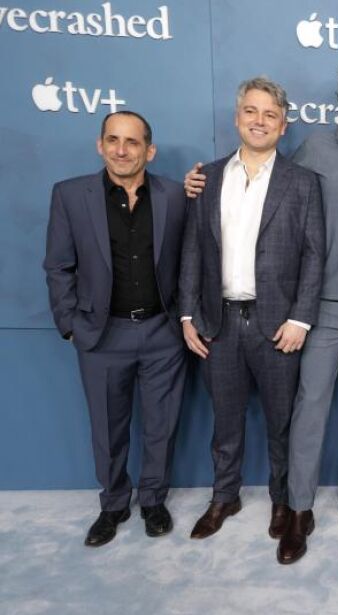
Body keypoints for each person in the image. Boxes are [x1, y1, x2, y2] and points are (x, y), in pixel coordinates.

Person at [185, 55, 338, 564]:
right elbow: (267, 186)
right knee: (308, 407)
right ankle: (298, 509)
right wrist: (196, 184)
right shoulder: (312, 149)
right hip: (322, 303)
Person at [179, 77, 324, 545]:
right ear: (237, 117)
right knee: (225, 421)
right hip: (218, 324)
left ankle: (282, 498)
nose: (259, 121)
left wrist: (300, 319)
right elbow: (193, 250)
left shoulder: (303, 183)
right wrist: (187, 315)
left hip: (277, 325)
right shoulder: (207, 178)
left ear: (283, 126)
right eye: (251, 111)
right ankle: (225, 496)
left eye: (270, 115)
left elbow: (314, 255)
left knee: (282, 424)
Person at [44, 111, 188, 546]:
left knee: (161, 425)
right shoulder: (70, 195)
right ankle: (113, 504)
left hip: (163, 333)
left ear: (150, 150)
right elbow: (58, 266)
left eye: (132, 142)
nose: (121, 150)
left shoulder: (175, 195)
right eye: (113, 140)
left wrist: (183, 319)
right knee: (108, 428)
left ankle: (153, 500)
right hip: (101, 334)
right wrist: (70, 325)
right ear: (100, 145)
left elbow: (190, 260)